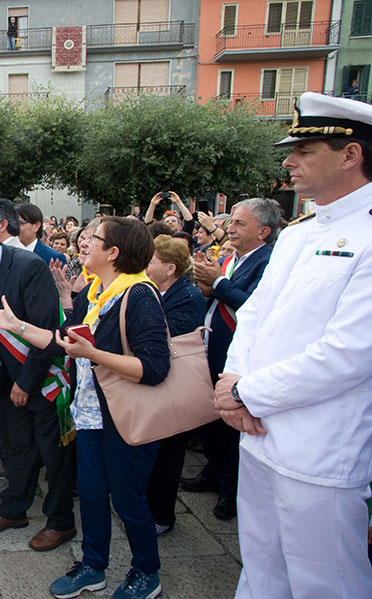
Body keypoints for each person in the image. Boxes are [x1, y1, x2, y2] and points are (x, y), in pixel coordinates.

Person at [214, 92, 372, 598]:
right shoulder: (301, 233)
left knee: (325, 582)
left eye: (304, 150)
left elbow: (348, 354)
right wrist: (230, 382)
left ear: (351, 154)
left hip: (319, 448)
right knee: (261, 568)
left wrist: (245, 395)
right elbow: (256, 315)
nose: (289, 161)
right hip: (258, 432)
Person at [0, 216, 170, 599]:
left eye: (93, 239)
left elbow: (154, 368)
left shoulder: (139, 296)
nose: (84, 243)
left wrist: (95, 353)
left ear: (114, 253)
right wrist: (16, 325)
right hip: (91, 416)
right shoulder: (100, 291)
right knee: (91, 492)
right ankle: (93, 566)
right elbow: (62, 341)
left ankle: (146, 573)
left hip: (124, 418)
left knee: (128, 499)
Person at [0, 219, 78, 552]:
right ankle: (14, 509)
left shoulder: (28, 268)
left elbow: (46, 331)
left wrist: (26, 383)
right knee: (17, 446)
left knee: (55, 455)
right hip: (13, 375)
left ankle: (61, 521)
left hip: (44, 377)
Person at [182, 197, 278, 521]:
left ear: (263, 231)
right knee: (210, 417)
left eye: (239, 223)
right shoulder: (230, 258)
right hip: (212, 347)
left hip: (238, 357)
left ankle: (230, 488)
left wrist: (219, 282)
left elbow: (253, 305)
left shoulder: (269, 261)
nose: (229, 228)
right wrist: (208, 284)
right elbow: (217, 297)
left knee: (231, 425)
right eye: (230, 222)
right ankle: (213, 469)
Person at [142, 235, 207, 536]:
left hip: (176, 386)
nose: (146, 265)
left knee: (169, 453)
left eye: (152, 260)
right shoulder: (154, 290)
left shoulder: (188, 296)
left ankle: (163, 515)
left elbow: (173, 337)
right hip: (158, 382)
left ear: (169, 268)